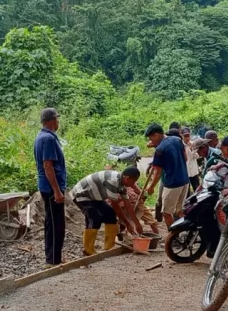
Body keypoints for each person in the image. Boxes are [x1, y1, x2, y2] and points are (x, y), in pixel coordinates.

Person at [70, 167, 144, 256]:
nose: (133, 184)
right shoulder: (113, 181)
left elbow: (128, 205)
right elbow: (116, 206)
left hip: (94, 197)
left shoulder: (122, 185)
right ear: (127, 178)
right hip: (81, 194)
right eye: (133, 181)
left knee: (110, 214)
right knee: (94, 217)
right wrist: (128, 224)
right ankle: (88, 250)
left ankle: (109, 247)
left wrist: (137, 224)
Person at [33, 108, 67, 266]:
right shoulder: (48, 139)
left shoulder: (41, 137)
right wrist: (57, 191)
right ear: (52, 121)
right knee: (56, 225)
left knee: (51, 223)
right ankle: (53, 261)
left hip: (48, 187)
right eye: (57, 119)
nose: (58, 122)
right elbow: (48, 166)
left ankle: (53, 258)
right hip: (51, 188)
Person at [144, 124, 190, 229]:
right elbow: (185, 158)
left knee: (166, 212)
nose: (151, 141)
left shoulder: (160, 150)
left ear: (156, 135)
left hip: (172, 184)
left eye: (151, 138)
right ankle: (186, 231)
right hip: (185, 180)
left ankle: (173, 236)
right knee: (179, 211)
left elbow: (158, 173)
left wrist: (151, 187)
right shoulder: (177, 140)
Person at [182, 127, 201, 192]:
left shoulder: (193, 144)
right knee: (186, 190)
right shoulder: (181, 145)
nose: (187, 138)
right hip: (186, 171)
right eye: (185, 136)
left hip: (194, 170)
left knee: (197, 188)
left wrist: (192, 149)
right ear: (182, 136)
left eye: (188, 136)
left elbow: (197, 157)